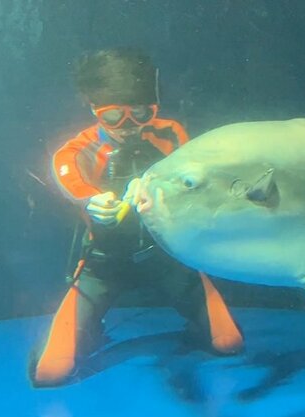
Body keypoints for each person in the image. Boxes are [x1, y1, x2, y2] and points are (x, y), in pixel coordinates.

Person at [29, 48, 244, 387]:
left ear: (153, 109)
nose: (128, 126)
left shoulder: (170, 133)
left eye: (141, 113)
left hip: (167, 258)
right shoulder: (78, 150)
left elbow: (191, 172)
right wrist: (90, 201)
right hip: (102, 264)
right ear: (94, 109)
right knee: (50, 372)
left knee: (228, 343)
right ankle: (88, 333)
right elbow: (66, 173)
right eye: (113, 116)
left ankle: (198, 326)